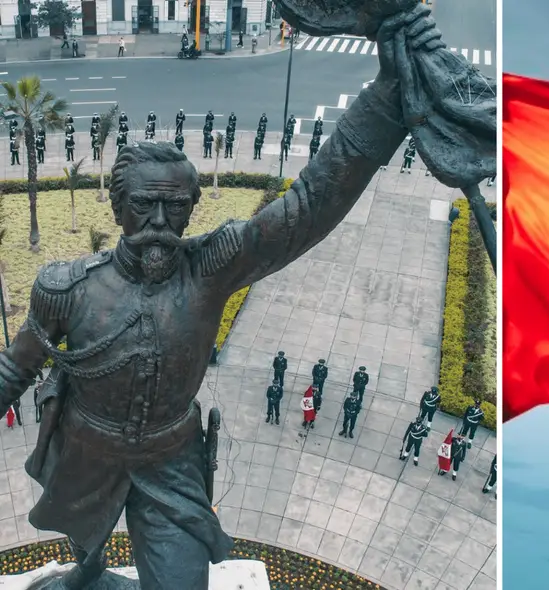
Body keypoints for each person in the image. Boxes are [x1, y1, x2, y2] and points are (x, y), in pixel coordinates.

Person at [0, 9, 441, 584]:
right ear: (118, 206)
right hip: (86, 453)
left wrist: (386, 98)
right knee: (85, 551)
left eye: (175, 208)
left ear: (191, 210)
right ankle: (88, 570)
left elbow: (308, 207)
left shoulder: (210, 268)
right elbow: (15, 368)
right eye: (144, 206)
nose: (160, 223)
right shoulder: (67, 288)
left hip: (169, 462)